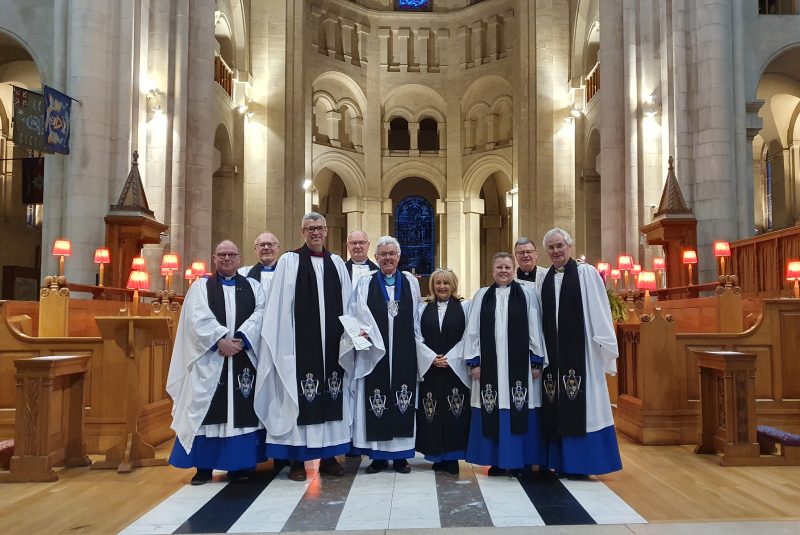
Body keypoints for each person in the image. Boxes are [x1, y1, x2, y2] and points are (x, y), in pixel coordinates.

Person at [254, 212, 353, 482]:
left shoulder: (337, 264)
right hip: (298, 346)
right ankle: (297, 459)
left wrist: (350, 336)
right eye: (310, 228)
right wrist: (284, 343)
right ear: (303, 232)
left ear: (326, 231)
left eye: (320, 227)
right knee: (297, 396)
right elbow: (279, 305)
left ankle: (329, 457)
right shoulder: (289, 261)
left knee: (331, 395)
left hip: (332, 346)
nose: (316, 232)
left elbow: (349, 305)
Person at [167, 240, 266, 484]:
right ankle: (203, 467)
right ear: (214, 258)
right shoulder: (201, 287)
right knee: (204, 409)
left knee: (241, 410)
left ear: (239, 259)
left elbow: (261, 314)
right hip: (211, 359)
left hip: (243, 358)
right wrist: (219, 340)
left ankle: (240, 467)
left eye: (232, 254)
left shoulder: (253, 286)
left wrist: (242, 339)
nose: (227, 259)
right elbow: (195, 318)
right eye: (222, 254)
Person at [538, 228, 622, 478]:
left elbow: (599, 310)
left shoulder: (586, 273)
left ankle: (583, 464)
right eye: (551, 247)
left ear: (569, 246)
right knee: (555, 405)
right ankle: (557, 462)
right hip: (552, 357)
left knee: (583, 406)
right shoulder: (544, 279)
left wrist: (604, 347)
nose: (555, 251)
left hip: (582, 353)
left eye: (559, 246)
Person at [349, 236, 432, 474]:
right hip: (375, 352)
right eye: (383, 254)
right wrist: (361, 341)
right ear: (376, 258)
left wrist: (419, 347)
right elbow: (354, 313)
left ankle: (401, 457)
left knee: (403, 399)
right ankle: (377, 457)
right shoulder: (365, 283)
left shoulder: (409, 282)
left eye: (391, 254)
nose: (387, 258)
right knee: (375, 398)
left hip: (404, 350)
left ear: (399, 257)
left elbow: (416, 316)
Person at [463, 252, 547, 477]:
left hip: (519, 365)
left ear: (514, 269)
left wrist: (536, 361)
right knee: (492, 410)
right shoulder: (482, 296)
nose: (503, 271)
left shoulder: (527, 294)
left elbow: (534, 329)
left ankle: (519, 461)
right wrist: (475, 362)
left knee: (518, 408)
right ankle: (497, 462)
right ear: (492, 271)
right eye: (499, 267)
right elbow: (472, 331)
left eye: (507, 267)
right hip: (490, 366)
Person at [415, 268, 471, 475]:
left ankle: (452, 457)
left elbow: (469, 335)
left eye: (446, 283)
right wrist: (431, 358)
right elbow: (416, 335)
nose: (442, 287)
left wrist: (450, 358)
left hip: (455, 369)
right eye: (438, 283)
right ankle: (435, 455)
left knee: (455, 411)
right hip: (431, 369)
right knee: (432, 411)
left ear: (453, 285)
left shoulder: (466, 306)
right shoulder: (422, 309)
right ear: (432, 286)